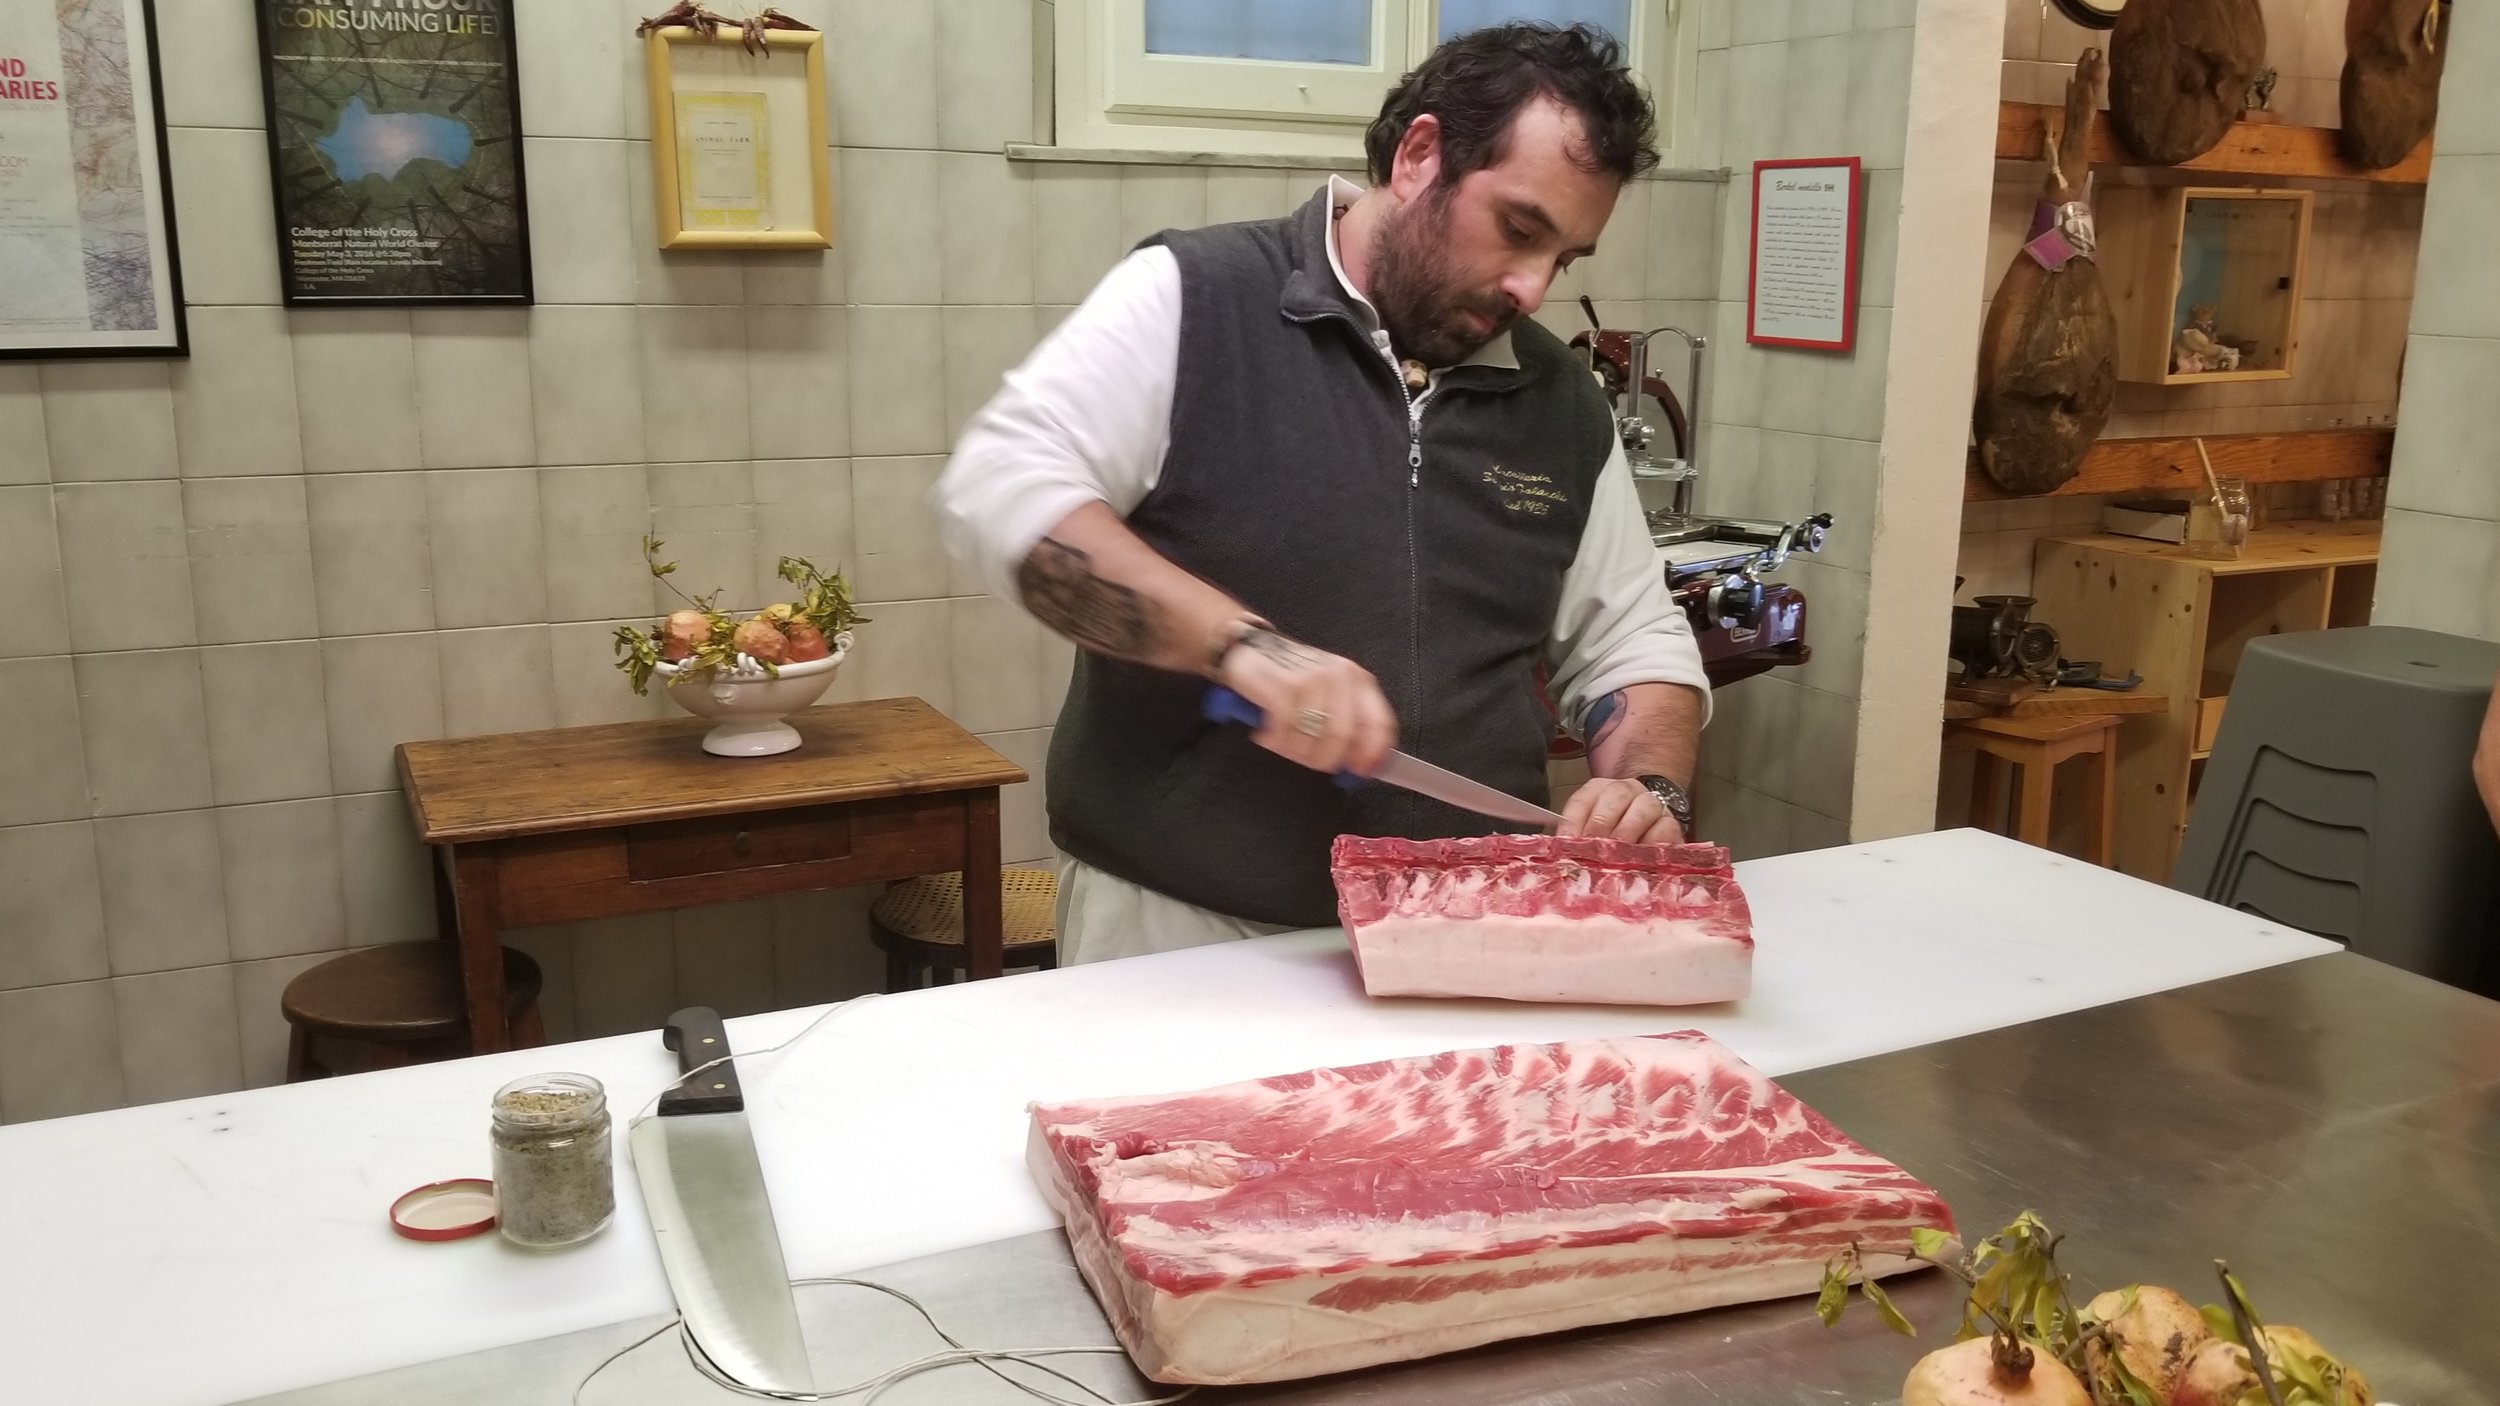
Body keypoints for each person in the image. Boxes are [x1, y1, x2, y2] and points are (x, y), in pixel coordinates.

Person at [935, 22, 1711, 964]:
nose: (1533, 288)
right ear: (1421, 155)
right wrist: (1242, 648)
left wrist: (1650, 787)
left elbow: (1631, 635)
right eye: (1518, 229)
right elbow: (1002, 488)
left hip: (1467, 930)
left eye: (1566, 259)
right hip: (1183, 931)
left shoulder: (1561, 402)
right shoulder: (1195, 297)